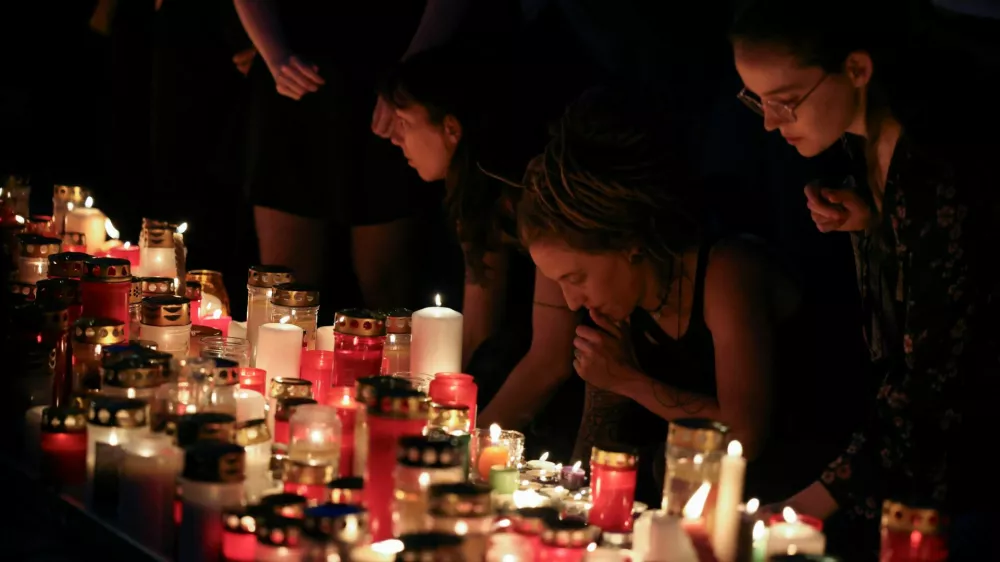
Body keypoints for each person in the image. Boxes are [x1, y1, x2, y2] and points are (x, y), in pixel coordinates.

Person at [730, 0, 999, 552]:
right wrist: (877, 225)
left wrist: (804, 506)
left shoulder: (935, 164)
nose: (769, 122)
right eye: (757, 100)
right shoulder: (862, 142)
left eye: (784, 101)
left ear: (856, 69)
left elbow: (935, 378)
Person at [516, 87, 851, 504]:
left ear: (628, 244)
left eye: (576, 276)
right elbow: (594, 462)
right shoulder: (617, 303)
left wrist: (627, 380)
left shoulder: (727, 273)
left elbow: (743, 437)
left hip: (799, 498)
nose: (569, 301)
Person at [379, 31, 597, 460]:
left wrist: (469, 446)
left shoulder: (533, 196)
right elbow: (478, 328)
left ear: (452, 128)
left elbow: (551, 357)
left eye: (404, 123)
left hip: (560, 402)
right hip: (506, 375)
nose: (394, 138)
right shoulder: (471, 194)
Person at [233, 0, 469, 310]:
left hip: (386, 69)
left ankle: (389, 357)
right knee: (287, 283)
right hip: (293, 77)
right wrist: (274, 53)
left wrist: (408, 78)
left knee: (385, 281)